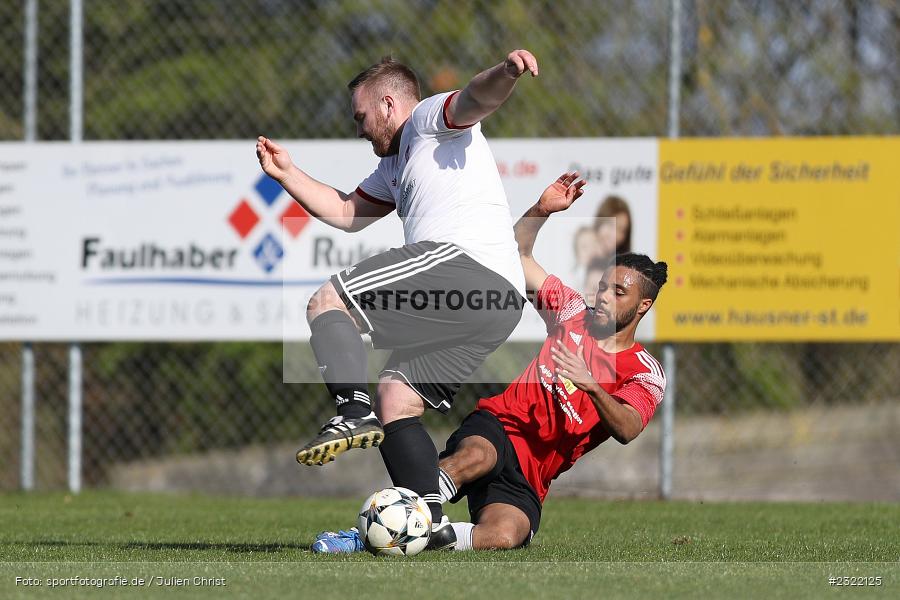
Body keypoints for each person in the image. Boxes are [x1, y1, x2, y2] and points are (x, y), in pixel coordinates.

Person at [257, 50, 539, 549]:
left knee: (328, 302)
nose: (360, 129)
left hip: (466, 268)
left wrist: (507, 72)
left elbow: (475, 98)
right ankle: (427, 526)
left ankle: (351, 410)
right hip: (497, 304)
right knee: (397, 398)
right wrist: (287, 175)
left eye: (362, 116)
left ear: (389, 104)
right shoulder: (394, 166)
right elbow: (348, 213)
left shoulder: (428, 120)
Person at [311, 173, 668, 553]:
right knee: (476, 456)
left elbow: (628, 428)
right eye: (602, 286)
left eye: (618, 292)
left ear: (643, 305)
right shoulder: (570, 312)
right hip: (498, 427)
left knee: (504, 536)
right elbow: (516, 258)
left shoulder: (645, 370)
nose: (603, 297)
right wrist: (540, 211)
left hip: (533, 474)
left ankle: (419, 537)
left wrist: (592, 384)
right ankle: (363, 536)